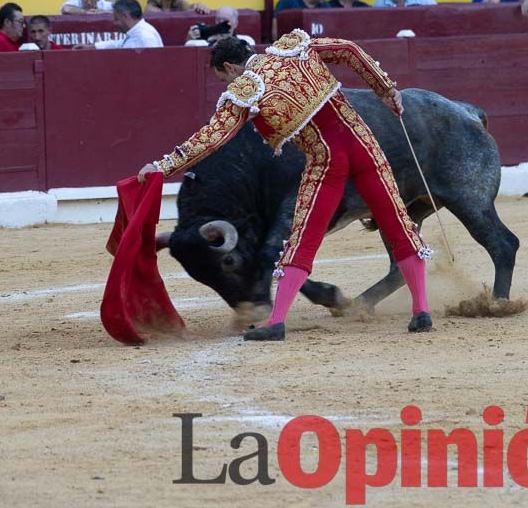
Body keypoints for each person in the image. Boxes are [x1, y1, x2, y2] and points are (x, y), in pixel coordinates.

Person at [137, 32, 434, 341]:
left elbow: (211, 138)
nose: (227, 85)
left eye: (223, 78)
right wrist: (385, 90)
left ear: (230, 67)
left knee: (303, 239)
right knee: (398, 223)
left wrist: (162, 166)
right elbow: (348, 49)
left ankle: (276, 321)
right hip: (364, 145)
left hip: (327, 160)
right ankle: (421, 311)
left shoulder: (244, 91)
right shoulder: (293, 48)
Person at [93, 0, 162, 48]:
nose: (115, 23)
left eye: (116, 19)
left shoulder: (145, 37)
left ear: (125, 16)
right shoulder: (138, 32)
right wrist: (94, 46)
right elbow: (119, 43)